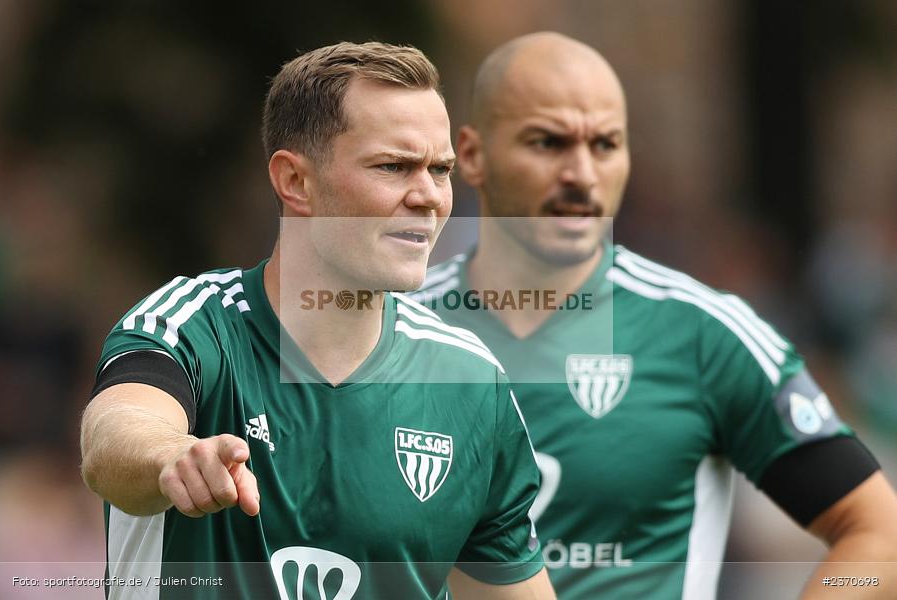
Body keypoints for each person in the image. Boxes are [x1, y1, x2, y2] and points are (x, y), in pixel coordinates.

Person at [412, 32, 897, 599]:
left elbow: (878, 537)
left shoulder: (702, 334)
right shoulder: (391, 331)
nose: (582, 174)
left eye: (606, 144)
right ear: (470, 155)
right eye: (548, 142)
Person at [80, 41, 557, 600]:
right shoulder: (191, 325)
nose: (429, 196)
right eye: (394, 166)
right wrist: (170, 456)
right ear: (296, 182)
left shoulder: (472, 383)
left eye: (441, 170)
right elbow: (112, 436)